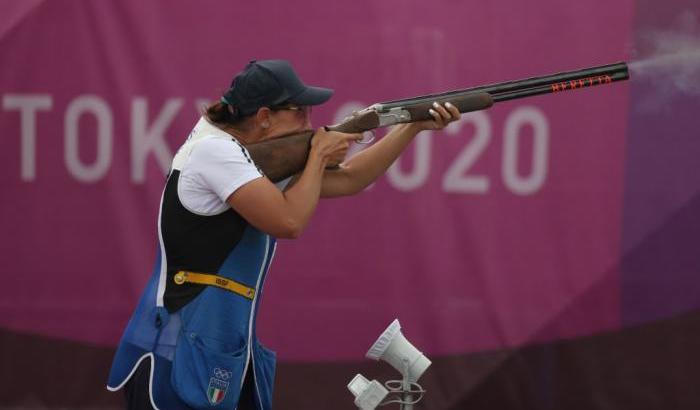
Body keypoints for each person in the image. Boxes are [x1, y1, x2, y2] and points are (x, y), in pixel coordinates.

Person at [106, 59, 460, 410]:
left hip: (213, 347)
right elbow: (288, 222)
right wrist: (318, 155)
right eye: (300, 112)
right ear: (264, 117)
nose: (310, 123)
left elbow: (352, 178)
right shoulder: (215, 152)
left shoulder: (243, 158)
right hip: (176, 353)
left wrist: (411, 127)